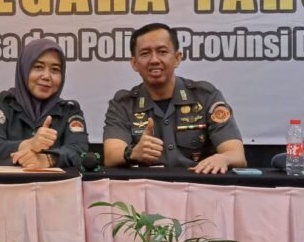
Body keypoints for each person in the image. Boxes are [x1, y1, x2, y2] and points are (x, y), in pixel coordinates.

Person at [103, 23, 246, 174]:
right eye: (145, 53)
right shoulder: (123, 104)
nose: (154, 60)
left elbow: (237, 156)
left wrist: (223, 158)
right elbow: (111, 156)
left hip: (198, 183)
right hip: (146, 186)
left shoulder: (205, 96)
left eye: (162, 52)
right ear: (134, 63)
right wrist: (132, 153)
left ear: (177, 58)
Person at [0, 38, 89, 168]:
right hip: (8, 181)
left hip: (55, 182)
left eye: (55, 69)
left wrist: (48, 159)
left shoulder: (69, 111)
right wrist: (28, 144)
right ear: (24, 70)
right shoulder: (2, 106)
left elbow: (79, 151)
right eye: (38, 67)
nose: (46, 76)